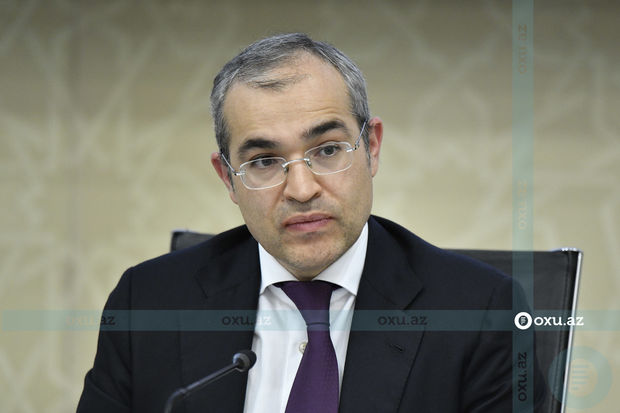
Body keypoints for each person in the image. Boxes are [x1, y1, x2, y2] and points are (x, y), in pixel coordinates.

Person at [77, 33, 544, 413]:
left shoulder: (481, 316)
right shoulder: (147, 304)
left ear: (372, 148)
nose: (301, 189)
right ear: (228, 178)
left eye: (327, 150)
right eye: (264, 161)